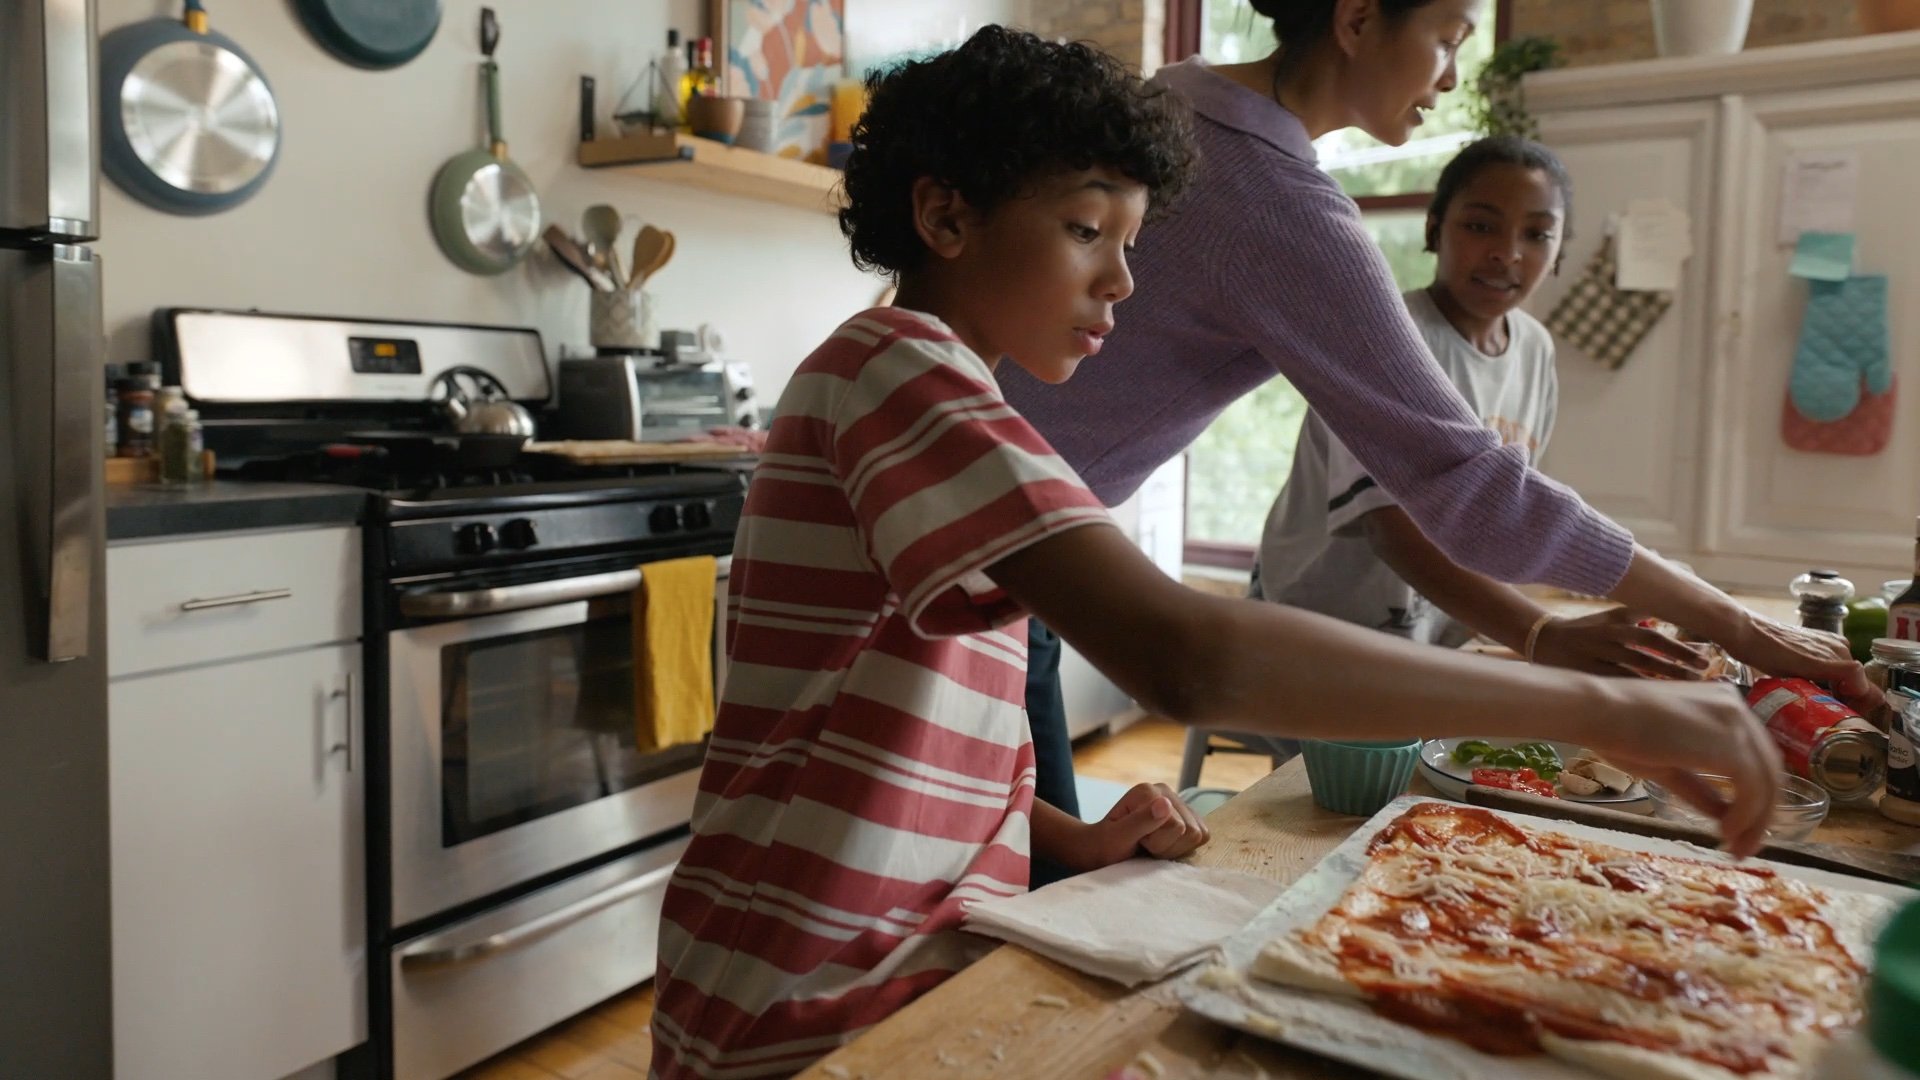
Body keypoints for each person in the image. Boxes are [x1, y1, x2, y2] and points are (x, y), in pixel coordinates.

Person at [651, 26, 1786, 1080]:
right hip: (792, 1001)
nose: (1122, 284)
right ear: (946, 218)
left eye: (1132, 243)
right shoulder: (896, 375)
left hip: (902, 978)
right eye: (1087, 233)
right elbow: (1186, 657)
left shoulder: (965, 409)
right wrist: (1595, 705)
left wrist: (1080, 842)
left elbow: (932, 750)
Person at [997, 0, 1871, 824]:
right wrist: (1738, 629)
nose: (1452, 76)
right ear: (1357, 17)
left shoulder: (1174, 97)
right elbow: (1474, 492)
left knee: (1014, 862)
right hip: (997, 552)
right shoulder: (1281, 207)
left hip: (996, 542)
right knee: (991, 889)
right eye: (1449, 35)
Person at [1257, 135, 1708, 678]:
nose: (1507, 252)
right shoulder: (1386, 336)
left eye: (1537, 234)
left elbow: (1502, 513)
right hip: (1318, 631)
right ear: (1433, 229)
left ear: (1560, 251)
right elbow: (1390, 528)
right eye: (1480, 225)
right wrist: (1539, 633)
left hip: (1441, 634)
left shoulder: (1535, 349)